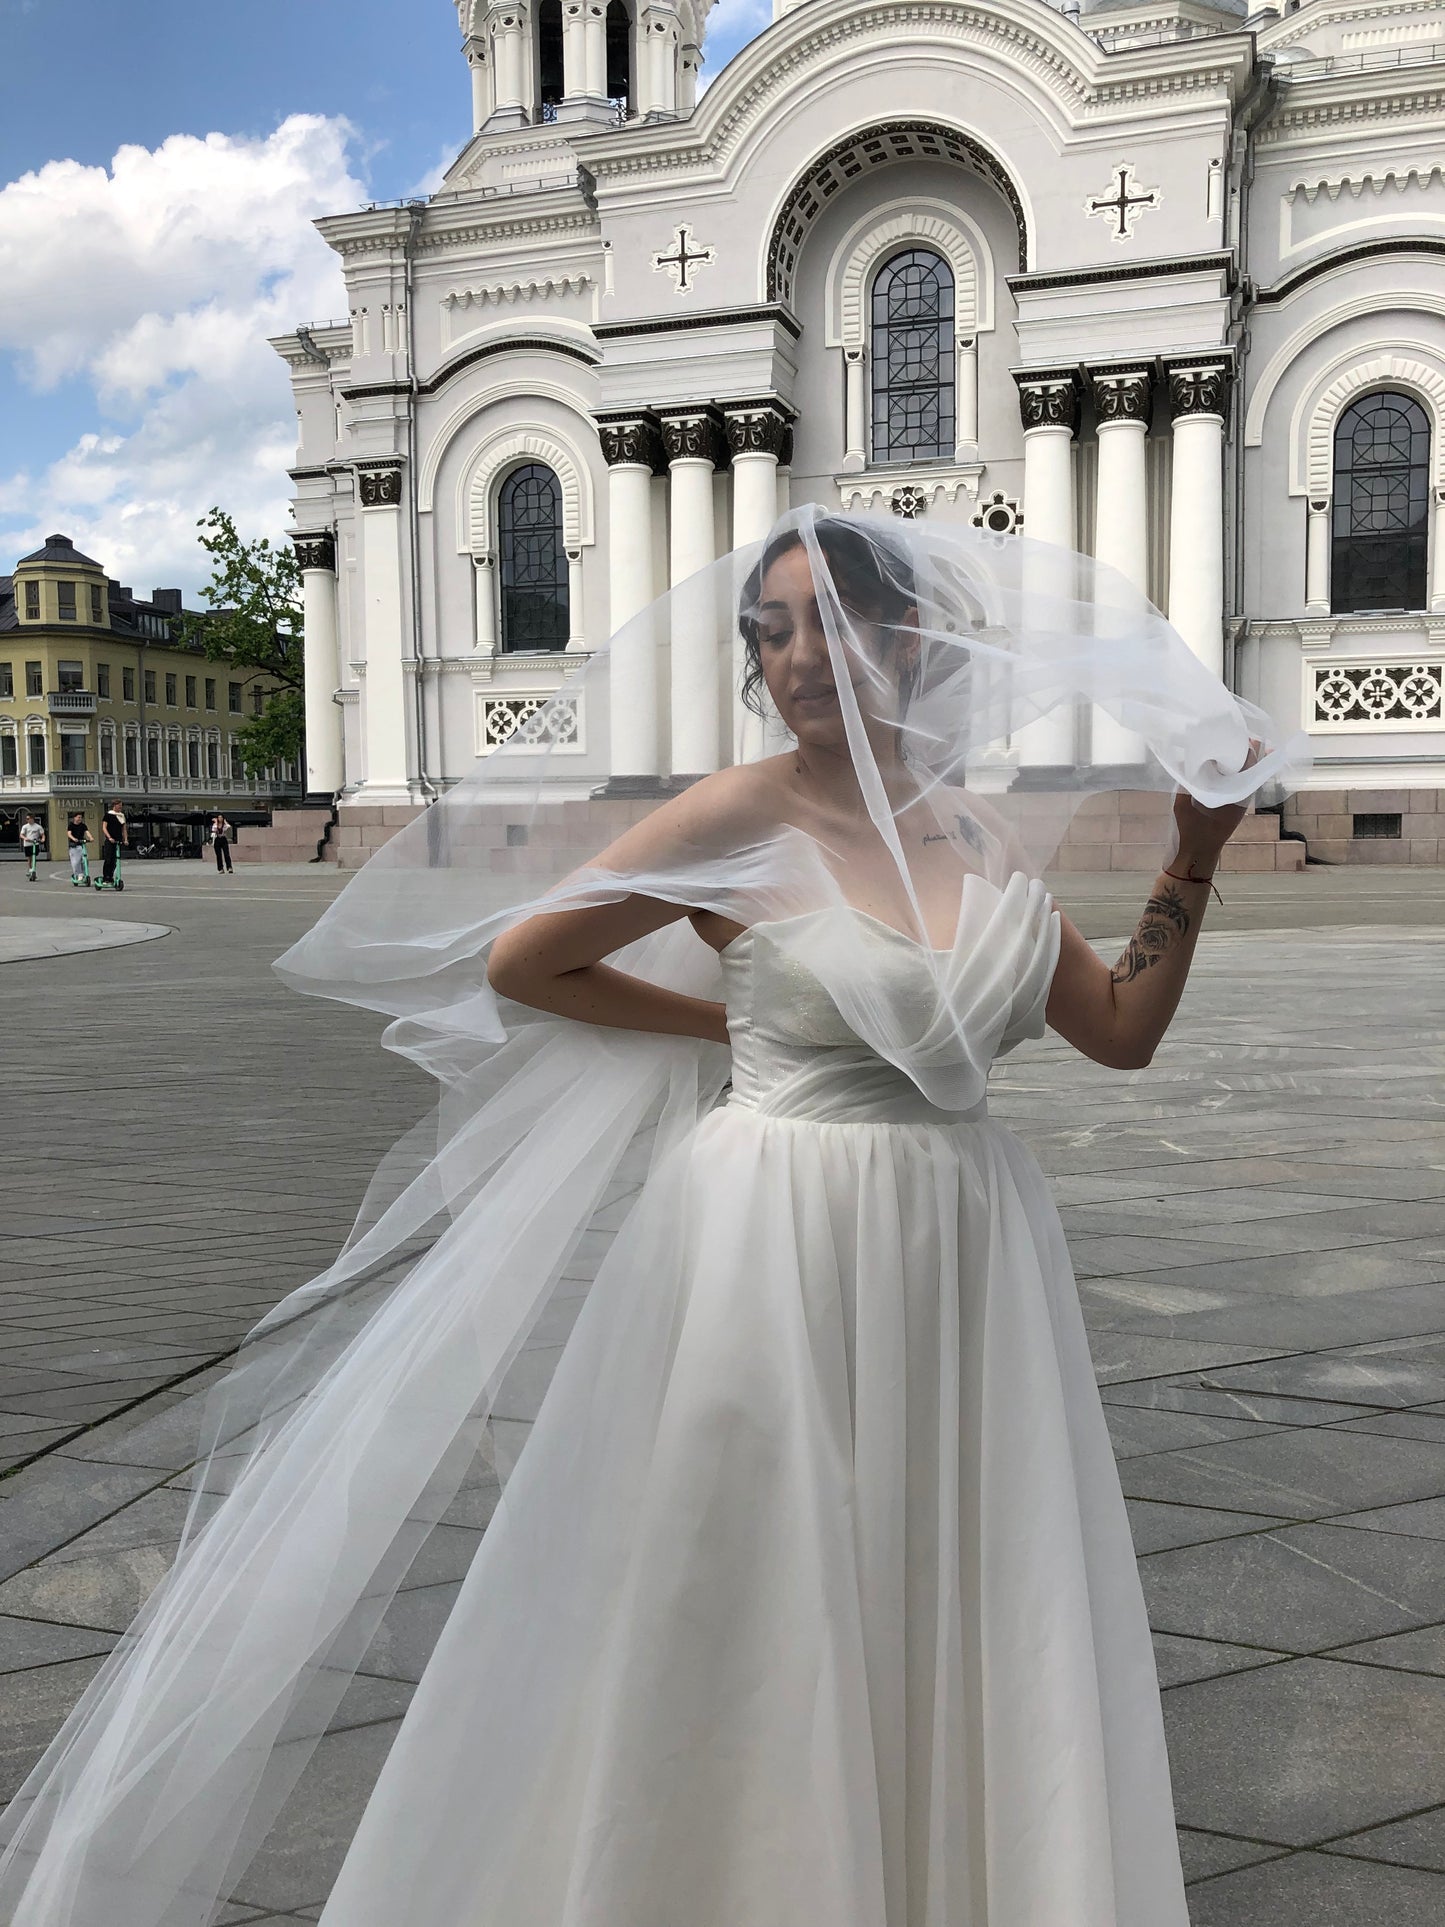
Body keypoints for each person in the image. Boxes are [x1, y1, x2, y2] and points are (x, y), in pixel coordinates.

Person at [0, 509, 1307, 1927]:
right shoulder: (735, 813)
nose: (803, 656)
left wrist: (1188, 857)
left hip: (966, 1236)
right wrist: (719, 1028)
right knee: (756, 1581)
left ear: (915, 640)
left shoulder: (977, 828)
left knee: (960, 1581)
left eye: (836, 621)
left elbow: (1115, 1028)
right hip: (771, 1229)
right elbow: (530, 958)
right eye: (775, 629)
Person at [98, 799, 127, 889]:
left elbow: (124, 829)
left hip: (118, 840)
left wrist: (125, 839)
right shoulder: (108, 815)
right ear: (114, 805)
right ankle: (106, 877)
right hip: (110, 840)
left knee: (115, 861)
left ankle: (111, 876)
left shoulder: (121, 816)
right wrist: (109, 837)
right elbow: (104, 828)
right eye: (119, 806)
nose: (120, 807)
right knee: (108, 859)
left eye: (121, 806)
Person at [66, 812, 92, 887]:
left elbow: (87, 832)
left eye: (81, 817)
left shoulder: (83, 825)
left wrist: (90, 838)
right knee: (76, 862)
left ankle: (83, 874)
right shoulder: (71, 825)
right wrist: (74, 839)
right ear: (74, 818)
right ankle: (78, 874)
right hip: (74, 846)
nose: (80, 819)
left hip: (81, 845)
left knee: (85, 860)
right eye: (78, 817)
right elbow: (69, 834)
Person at [18, 812, 43, 881]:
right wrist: (25, 838)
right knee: (29, 858)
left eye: (28, 818)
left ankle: (33, 869)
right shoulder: (25, 826)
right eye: (26, 819)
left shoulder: (38, 826)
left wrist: (43, 839)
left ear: (32, 819)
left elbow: (42, 834)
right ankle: (30, 869)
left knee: (34, 857)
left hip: (35, 843)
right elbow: (21, 835)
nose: (27, 820)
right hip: (27, 844)